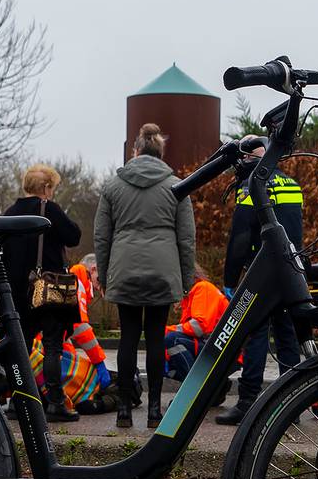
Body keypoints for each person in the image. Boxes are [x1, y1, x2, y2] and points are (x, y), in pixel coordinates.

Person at [95, 123, 195, 429]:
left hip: (124, 269)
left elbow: (102, 236)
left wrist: (103, 274)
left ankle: (124, 409)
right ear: (160, 152)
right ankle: (154, 410)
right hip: (162, 272)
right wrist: (186, 280)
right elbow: (186, 238)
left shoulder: (113, 187)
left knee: (127, 338)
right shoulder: (176, 186)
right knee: (154, 338)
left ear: (135, 151)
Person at [216, 136, 304, 426]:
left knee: (254, 334)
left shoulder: (251, 186)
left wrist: (230, 280)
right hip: (291, 268)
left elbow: (240, 237)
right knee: (287, 337)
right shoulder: (292, 184)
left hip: (262, 271)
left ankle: (247, 402)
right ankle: (291, 405)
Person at [1, 164, 82, 422]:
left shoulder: (10, 214)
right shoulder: (50, 210)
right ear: (46, 188)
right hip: (48, 291)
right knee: (52, 345)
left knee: (20, 347)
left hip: (17, 292)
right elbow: (74, 236)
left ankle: (18, 400)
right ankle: (56, 402)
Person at [164, 263, 229, 383]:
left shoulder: (202, 288)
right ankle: (214, 386)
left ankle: (194, 388)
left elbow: (198, 327)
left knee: (171, 340)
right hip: (216, 344)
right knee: (164, 354)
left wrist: (168, 330)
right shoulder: (195, 292)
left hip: (218, 347)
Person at [68, 254, 113, 390]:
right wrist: (99, 361)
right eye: (100, 280)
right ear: (93, 269)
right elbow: (79, 326)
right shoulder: (79, 276)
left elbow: (67, 333)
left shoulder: (74, 278)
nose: (100, 287)